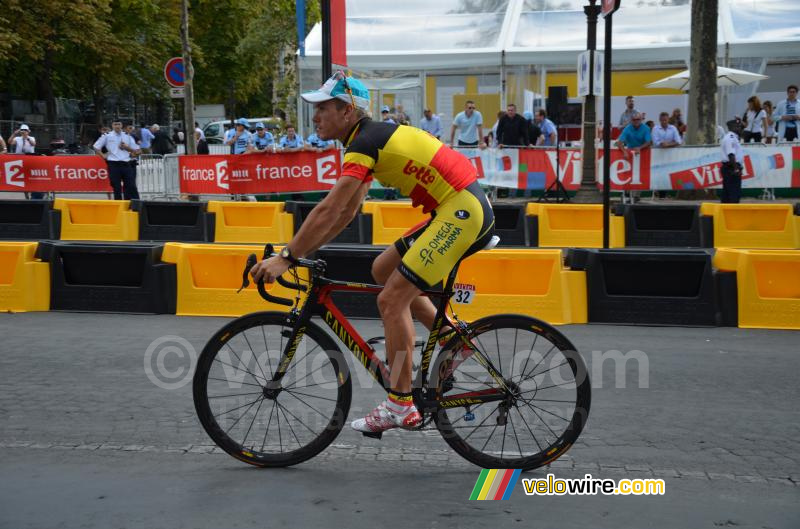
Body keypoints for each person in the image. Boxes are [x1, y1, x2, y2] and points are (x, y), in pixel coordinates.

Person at [250, 71, 495, 435]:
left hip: (462, 213)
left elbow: (330, 208)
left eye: (323, 108)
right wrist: (305, 250)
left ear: (348, 111)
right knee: (383, 269)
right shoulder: (367, 140)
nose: (315, 116)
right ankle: (450, 341)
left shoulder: (365, 142)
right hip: (457, 208)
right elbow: (347, 211)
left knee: (390, 300)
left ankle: (400, 404)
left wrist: (287, 256)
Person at [93, 120, 141, 200]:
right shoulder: (107, 135)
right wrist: (103, 155)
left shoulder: (127, 136)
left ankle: (129, 204)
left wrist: (128, 148)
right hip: (113, 164)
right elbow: (96, 147)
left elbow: (137, 150)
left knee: (130, 185)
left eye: (119, 124)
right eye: (115, 124)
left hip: (126, 163)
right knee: (116, 186)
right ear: (112, 126)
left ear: (122, 125)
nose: (117, 126)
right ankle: (118, 204)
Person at [616, 112, 651, 202]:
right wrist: (624, 151)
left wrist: (639, 148)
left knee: (640, 174)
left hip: (643, 152)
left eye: (638, 119)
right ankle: (627, 193)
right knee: (628, 173)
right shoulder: (627, 128)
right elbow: (619, 142)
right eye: (634, 120)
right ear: (631, 120)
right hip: (630, 152)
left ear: (641, 120)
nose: (636, 121)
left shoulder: (646, 128)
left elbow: (649, 142)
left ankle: (636, 196)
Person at [720, 119, 744, 203]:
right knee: (733, 194)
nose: (740, 128)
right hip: (731, 168)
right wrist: (736, 168)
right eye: (737, 126)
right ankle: (732, 214)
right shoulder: (730, 138)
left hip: (731, 167)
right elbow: (731, 154)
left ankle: (726, 213)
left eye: (740, 127)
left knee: (727, 194)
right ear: (731, 127)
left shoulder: (733, 137)